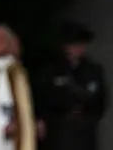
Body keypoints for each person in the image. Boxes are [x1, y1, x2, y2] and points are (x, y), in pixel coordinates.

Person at [36, 21, 107, 150]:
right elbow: (42, 97)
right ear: (65, 46)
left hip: (85, 128)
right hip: (59, 128)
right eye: (74, 44)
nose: (78, 48)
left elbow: (101, 100)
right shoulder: (52, 70)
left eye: (81, 44)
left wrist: (89, 118)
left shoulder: (94, 70)